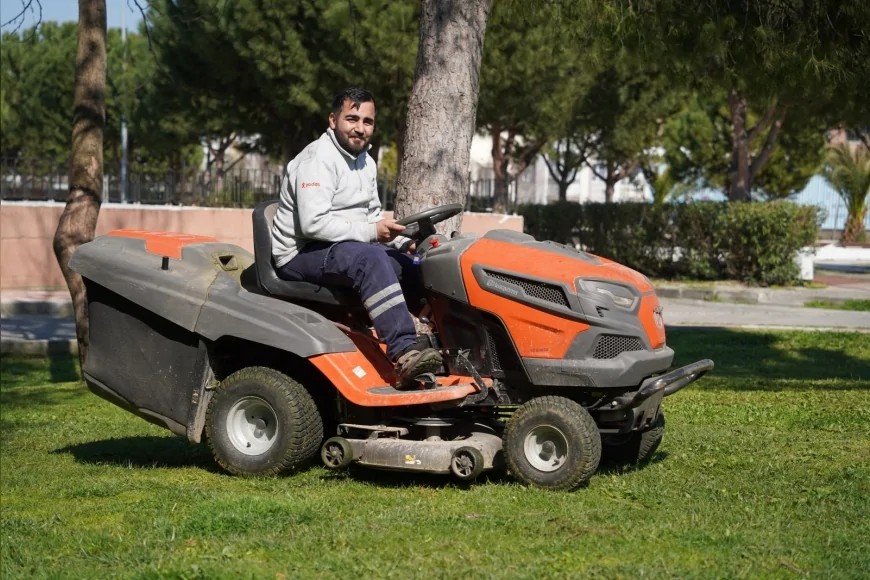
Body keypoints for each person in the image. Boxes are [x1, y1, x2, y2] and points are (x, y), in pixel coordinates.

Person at [271, 87, 443, 388]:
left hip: (341, 247)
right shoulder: (317, 159)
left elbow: (372, 216)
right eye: (352, 119)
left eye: (367, 121)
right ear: (333, 119)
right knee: (371, 258)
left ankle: (445, 344)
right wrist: (371, 233)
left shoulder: (365, 161)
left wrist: (406, 243)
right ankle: (404, 352)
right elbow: (313, 225)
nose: (360, 128)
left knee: (415, 265)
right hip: (301, 252)